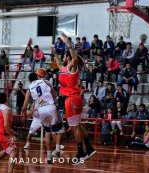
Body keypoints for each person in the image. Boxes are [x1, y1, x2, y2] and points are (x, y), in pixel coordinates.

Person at [53, 33, 96, 164]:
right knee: (78, 125)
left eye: (66, 56)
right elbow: (59, 64)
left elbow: (75, 58)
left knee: (74, 127)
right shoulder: (65, 68)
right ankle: (89, 148)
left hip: (72, 99)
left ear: (68, 57)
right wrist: (55, 53)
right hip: (72, 99)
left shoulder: (73, 66)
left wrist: (69, 45)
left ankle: (81, 152)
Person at [22, 72, 64, 163]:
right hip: (51, 107)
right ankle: (57, 149)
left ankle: (49, 155)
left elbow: (24, 107)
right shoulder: (45, 81)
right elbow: (55, 95)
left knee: (48, 132)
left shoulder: (29, 88)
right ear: (37, 77)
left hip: (41, 110)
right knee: (60, 130)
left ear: (29, 81)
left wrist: (25, 114)